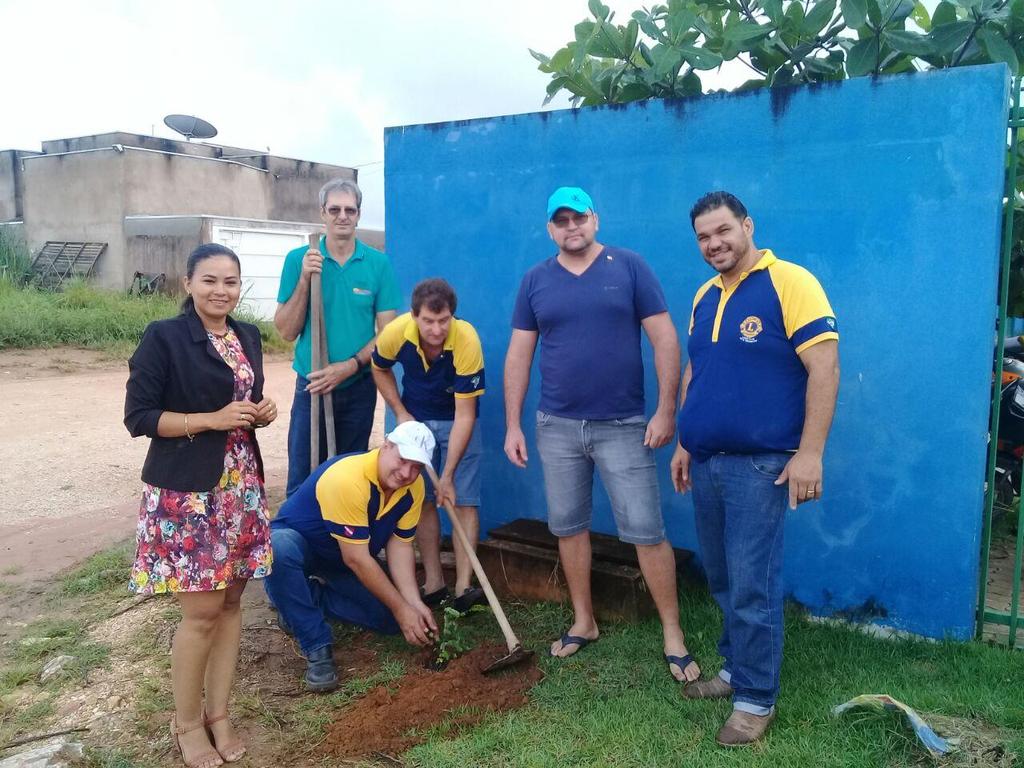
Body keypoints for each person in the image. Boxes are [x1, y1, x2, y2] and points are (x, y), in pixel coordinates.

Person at [504, 186, 701, 684]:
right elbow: (519, 355)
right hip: (558, 426)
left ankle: (673, 635)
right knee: (568, 526)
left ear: (596, 219)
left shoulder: (629, 267)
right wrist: (512, 425)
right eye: (561, 220)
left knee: (646, 530)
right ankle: (584, 621)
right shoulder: (535, 281)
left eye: (580, 217)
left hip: (623, 426)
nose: (572, 227)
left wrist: (665, 411)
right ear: (551, 228)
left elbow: (664, 339)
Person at [672, 191, 840, 746]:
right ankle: (733, 670)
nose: (714, 243)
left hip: (761, 466)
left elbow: (824, 367)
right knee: (721, 577)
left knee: (752, 583)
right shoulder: (703, 294)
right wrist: (682, 441)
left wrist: (809, 453)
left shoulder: (790, 282)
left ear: (747, 225)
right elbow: (700, 371)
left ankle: (755, 699)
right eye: (703, 237)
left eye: (723, 231)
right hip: (708, 459)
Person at [124, 243, 277, 768]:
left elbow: (241, 403)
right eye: (209, 280)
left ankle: (219, 715)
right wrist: (210, 419)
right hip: (188, 495)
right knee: (202, 612)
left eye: (231, 282)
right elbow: (140, 417)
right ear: (188, 284)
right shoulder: (164, 337)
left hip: (240, 487)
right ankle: (186, 723)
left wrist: (261, 412)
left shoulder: (248, 336)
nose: (221, 291)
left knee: (232, 603)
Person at [263, 421, 440, 692]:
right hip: (306, 545)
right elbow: (356, 559)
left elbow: (401, 546)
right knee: (278, 548)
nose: (407, 473)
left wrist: (412, 604)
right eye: (402, 460)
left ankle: (300, 602)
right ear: (387, 445)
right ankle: (316, 644)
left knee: (392, 620)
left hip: (346, 558)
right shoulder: (348, 478)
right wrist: (402, 608)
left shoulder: (412, 489)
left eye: (416, 467)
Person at [274, 178, 401, 497]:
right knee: (303, 480)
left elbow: (388, 335)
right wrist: (305, 279)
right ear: (323, 213)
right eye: (335, 209)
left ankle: (342, 545)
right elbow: (286, 330)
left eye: (350, 210)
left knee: (348, 479)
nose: (342, 216)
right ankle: (300, 543)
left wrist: (349, 366)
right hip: (312, 383)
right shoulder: (298, 259)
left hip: (357, 386)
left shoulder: (377, 264)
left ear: (358, 215)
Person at [371, 278, 487, 613]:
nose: (436, 329)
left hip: (457, 421)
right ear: (414, 315)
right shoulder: (396, 332)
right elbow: (379, 369)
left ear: (452, 316)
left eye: (443, 320)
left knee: (463, 500)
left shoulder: (466, 339)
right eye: (428, 321)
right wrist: (400, 412)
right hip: (415, 423)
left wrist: (447, 475)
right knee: (420, 500)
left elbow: (466, 414)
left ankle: (465, 587)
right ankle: (434, 583)